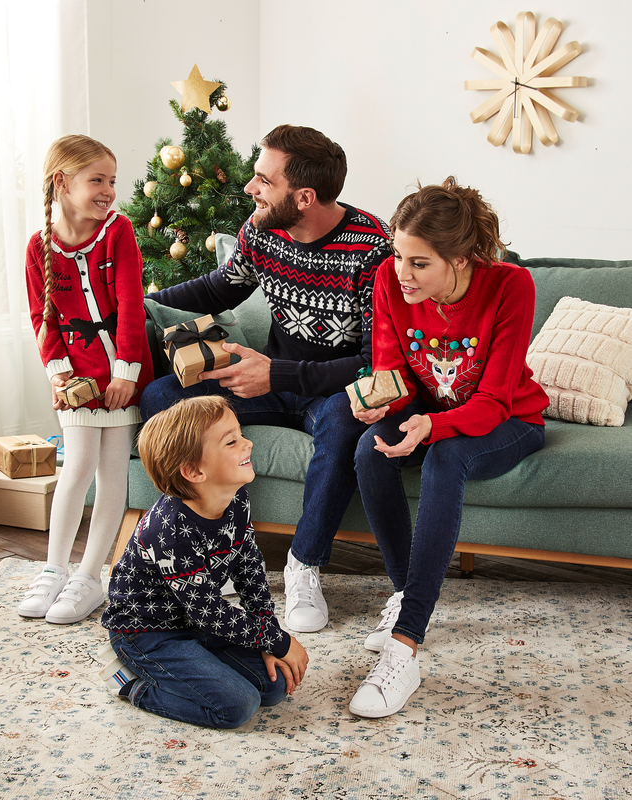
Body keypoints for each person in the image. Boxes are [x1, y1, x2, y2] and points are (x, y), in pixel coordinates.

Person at [141, 124, 392, 634]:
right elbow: (219, 288)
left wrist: (276, 374)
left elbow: (375, 364)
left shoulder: (373, 248)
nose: (250, 187)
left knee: (345, 421)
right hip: (269, 380)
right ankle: (207, 545)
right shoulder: (261, 230)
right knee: (163, 396)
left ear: (304, 197)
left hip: (330, 391)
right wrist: (139, 304)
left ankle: (303, 566)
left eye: (264, 180)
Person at [348, 177, 549, 719]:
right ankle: (406, 599)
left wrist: (431, 428)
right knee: (369, 449)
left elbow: (493, 400)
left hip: (512, 418)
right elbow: (394, 374)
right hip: (435, 410)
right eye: (397, 255)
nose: (401, 273)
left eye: (419, 263)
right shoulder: (389, 282)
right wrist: (381, 404)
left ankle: (404, 646)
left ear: (460, 260)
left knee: (447, 455)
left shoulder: (510, 285)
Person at [99, 396, 309, 729]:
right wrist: (279, 642)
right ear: (195, 471)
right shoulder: (169, 530)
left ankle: (198, 665)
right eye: (232, 441)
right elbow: (210, 613)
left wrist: (269, 636)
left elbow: (249, 567)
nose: (248, 443)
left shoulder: (235, 497)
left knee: (275, 686)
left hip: (197, 622)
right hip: (149, 633)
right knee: (237, 707)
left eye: (241, 435)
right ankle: (133, 685)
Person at [21, 134, 153, 624]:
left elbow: (132, 308)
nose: (108, 191)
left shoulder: (119, 231)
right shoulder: (38, 246)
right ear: (62, 181)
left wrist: (126, 374)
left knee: (111, 471)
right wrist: (59, 375)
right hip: (75, 377)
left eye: (111, 181)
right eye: (97, 180)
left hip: (121, 372)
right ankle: (53, 569)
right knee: (76, 466)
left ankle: (90, 576)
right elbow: (43, 320)